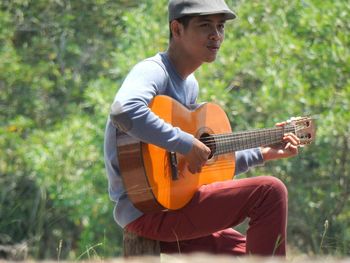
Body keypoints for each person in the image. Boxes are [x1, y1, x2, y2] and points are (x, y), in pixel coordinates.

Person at [104, 0, 301, 256]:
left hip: (177, 205)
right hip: (150, 213)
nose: (216, 35)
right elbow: (124, 110)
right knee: (270, 191)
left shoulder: (190, 85)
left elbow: (197, 165)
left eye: (220, 27)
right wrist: (184, 142)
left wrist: (262, 153)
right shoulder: (152, 71)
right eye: (205, 25)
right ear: (177, 29)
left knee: (251, 252)